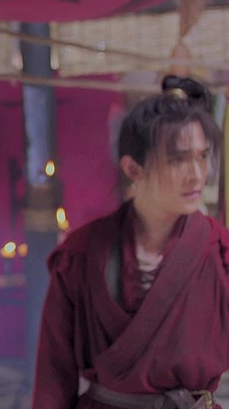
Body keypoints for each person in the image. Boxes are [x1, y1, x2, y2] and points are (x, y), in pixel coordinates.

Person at [33, 92, 229, 408]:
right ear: (134, 168)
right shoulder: (80, 255)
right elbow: (53, 378)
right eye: (178, 159)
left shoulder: (221, 252)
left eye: (202, 156)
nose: (197, 174)